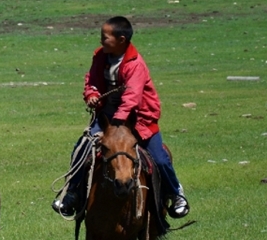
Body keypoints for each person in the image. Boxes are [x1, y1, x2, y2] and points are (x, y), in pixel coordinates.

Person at [52, 16, 190, 219]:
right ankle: (71, 194)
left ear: (122, 39)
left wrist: (116, 127)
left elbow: (131, 99)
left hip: (138, 119)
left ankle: (176, 193)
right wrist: (91, 96)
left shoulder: (136, 65)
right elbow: (92, 81)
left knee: (159, 159)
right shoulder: (100, 56)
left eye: (105, 37)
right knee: (81, 149)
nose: (101, 41)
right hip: (107, 118)